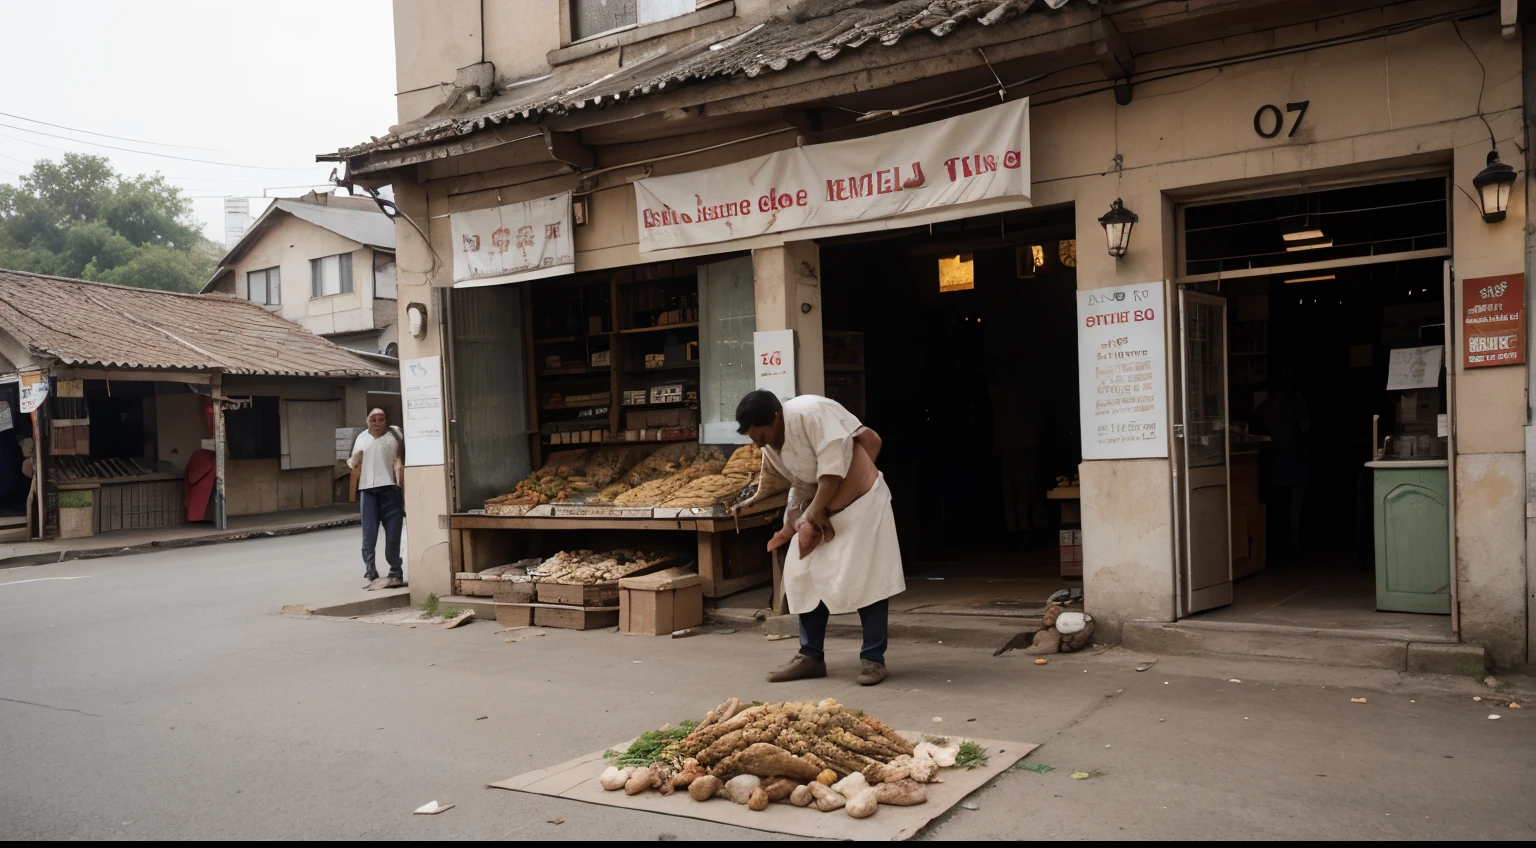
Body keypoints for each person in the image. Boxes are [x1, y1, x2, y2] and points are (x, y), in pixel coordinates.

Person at [736, 390, 905, 686]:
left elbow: (831, 474)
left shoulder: (810, 414)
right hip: (823, 501)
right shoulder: (768, 442)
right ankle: (810, 655)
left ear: (775, 418)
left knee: (868, 577)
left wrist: (813, 516)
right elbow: (800, 483)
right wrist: (792, 524)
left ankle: (873, 659)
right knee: (802, 572)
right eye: (755, 439)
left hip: (862, 500)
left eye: (761, 436)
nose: (760, 444)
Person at [1252, 364, 1310, 557]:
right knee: (1295, 500)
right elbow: (1306, 426)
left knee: (1273, 501)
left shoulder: (1263, 405)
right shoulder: (1296, 400)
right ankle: (1294, 541)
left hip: (1272, 457)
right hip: (1293, 455)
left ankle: (1272, 545)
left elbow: (1253, 430)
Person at [348, 408, 406, 589]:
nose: (377, 423)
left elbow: (400, 463)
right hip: (368, 491)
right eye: (373, 419)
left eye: (381, 419)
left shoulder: (393, 438)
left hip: (390, 490)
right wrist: (352, 493)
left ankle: (396, 570)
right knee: (369, 534)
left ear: (385, 421)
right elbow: (354, 465)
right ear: (368, 421)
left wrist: (402, 488)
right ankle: (371, 571)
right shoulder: (361, 439)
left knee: (393, 534)